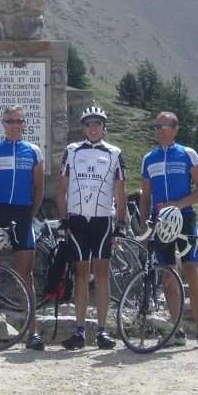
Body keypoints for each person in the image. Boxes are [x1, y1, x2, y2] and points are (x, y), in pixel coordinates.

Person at [140, 110, 198, 350]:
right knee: (167, 276)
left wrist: (178, 205)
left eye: (164, 126)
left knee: (192, 271)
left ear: (175, 129)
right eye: (156, 126)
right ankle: (177, 330)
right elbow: (145, 198)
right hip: (160, 222)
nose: (159, 130)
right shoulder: (148, 159)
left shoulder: (187, 154)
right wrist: (144, 228)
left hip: (184, 218)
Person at [58, 106, 127, 351]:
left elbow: (120, 191)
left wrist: (120, 223)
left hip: (102, 220)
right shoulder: (72, 151)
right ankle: (79, 330)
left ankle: (102, 331)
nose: (93, 128)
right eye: (89, 124)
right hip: (77, 219)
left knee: (101, 274)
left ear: (104, 128)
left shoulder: (115, 153)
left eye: (98, 124)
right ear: (83, 127)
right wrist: (63, 219)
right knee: (80, 274)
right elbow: (62, 189)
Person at [0, 105, 45, 350]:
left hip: (23, 214)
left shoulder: (34, 152)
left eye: (19, 121)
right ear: (3, 123)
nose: (15, 125)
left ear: (24, 124)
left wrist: (31, 212)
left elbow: (38, 188)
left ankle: (33, 333)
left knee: (26, 275)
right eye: (11, 121)